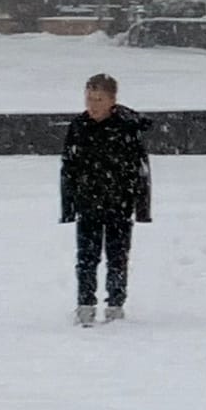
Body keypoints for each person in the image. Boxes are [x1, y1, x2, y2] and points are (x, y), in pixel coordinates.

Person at [60, 73, 152, 327]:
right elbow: (68, 168)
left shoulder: (127, 128)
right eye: (89, 98)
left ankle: (115, 307)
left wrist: (141, 208)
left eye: (99, 99)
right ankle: (85, 306)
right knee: (86, 259)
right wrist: (68, 206)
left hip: (119, 204)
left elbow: (141, 169)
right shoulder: (79, 127)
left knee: (117, 258)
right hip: (87, 204)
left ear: (112, 100)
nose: (93, 105)